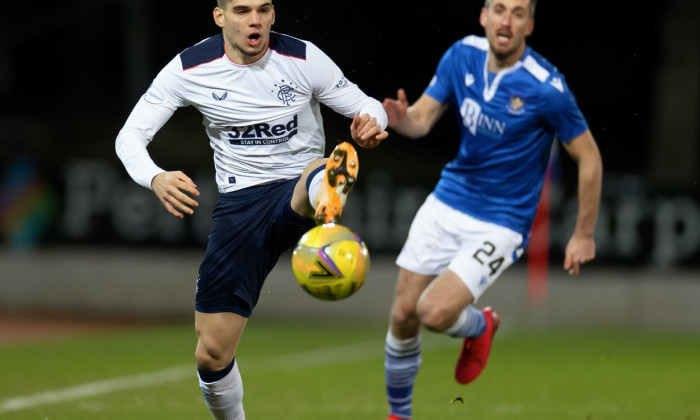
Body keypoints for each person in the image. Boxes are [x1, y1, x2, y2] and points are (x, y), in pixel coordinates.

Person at [115, 0, 388, 418]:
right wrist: (155, 177)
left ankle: (326, 198)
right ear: (219, 17)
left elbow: (369, 105)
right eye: (242, 11)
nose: (254, 20)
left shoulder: (303, 57)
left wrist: (372, 124)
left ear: (274, 14)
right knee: (210, 353)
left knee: (316, 170)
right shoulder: (189, 68)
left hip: (295, 186)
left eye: (263, 9)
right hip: (240, 206)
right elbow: (130, 136)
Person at [380, 0, 603, 418]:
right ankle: (399, 414)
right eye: (499, 9)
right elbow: (423, 118)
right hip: (449, 199)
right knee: (403, 313)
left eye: (518, 13)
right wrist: (401, 119)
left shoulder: (547, 87)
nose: (506, 20)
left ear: (529, 25)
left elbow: (590, 160)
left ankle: (481, 326)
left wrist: (583, 233)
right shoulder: (461, 54)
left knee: (432, 311)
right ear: (484, 16)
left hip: (501, 221)